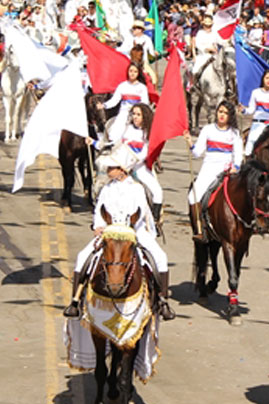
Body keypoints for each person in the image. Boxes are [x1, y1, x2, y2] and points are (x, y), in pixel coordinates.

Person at [63, 145, 175, 320]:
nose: (108, 170)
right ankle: (75, 301)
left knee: (160, 257)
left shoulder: (137, 189)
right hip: (109, 232)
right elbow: (99, 211)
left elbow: (140, 213)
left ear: (122, 170)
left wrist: (127, 230)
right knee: (82, 257)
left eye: (112, 168)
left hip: (133, 232)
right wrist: (97, 226)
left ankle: (163, 300)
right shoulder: (107, 189)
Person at [88, 103, 163, 222]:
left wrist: (131, 165)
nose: (135, 117)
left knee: (157, 191)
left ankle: (155, 220)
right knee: (103, 189)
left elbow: (144, 153)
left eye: (138, 114)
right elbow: (110, 144)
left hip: (138, 167)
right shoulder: (126, 129)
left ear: (145, 116)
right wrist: (93, 143)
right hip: (120, 164)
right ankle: (99, 219)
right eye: (133, 114)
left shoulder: (148, 133)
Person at [183, 100, 243, 242]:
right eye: (220, 111)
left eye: (226, 113)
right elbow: (197, 153)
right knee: (192, 196)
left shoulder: (235, 133)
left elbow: (239, 154)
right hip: (208, 169)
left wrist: (236, 167)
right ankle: (199, 229)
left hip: (227, 170)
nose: (222, 115)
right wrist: (190, 141)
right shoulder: (208, 129)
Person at [101, 62, 149, 143]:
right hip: (123, 115)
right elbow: (114, 100)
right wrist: (104, 105)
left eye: (135, 71)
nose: (132, 74)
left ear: (138, 73)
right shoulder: (122, 86)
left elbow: (145, 103)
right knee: (114, 134)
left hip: (136, 116)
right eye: (131, 71)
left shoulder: (142, 87)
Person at [241, 70, 269, 157]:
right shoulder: (255, 92)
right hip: (258, 123)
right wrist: (243, 110)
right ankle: (247, 161)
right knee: (251, 141)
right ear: (263, 79)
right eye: (267, 78)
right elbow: (251, 109)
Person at [191, 15, 222, 83]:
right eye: (207, 25)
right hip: (203, 55)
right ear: (204, 25)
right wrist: (208, 49)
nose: (208, 27)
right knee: (195, 70)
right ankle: (194, 85)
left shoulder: (215, 33)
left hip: (215, 56)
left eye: (210, 25)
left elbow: (220, 41)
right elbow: (198, 44)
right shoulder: (200, 33)